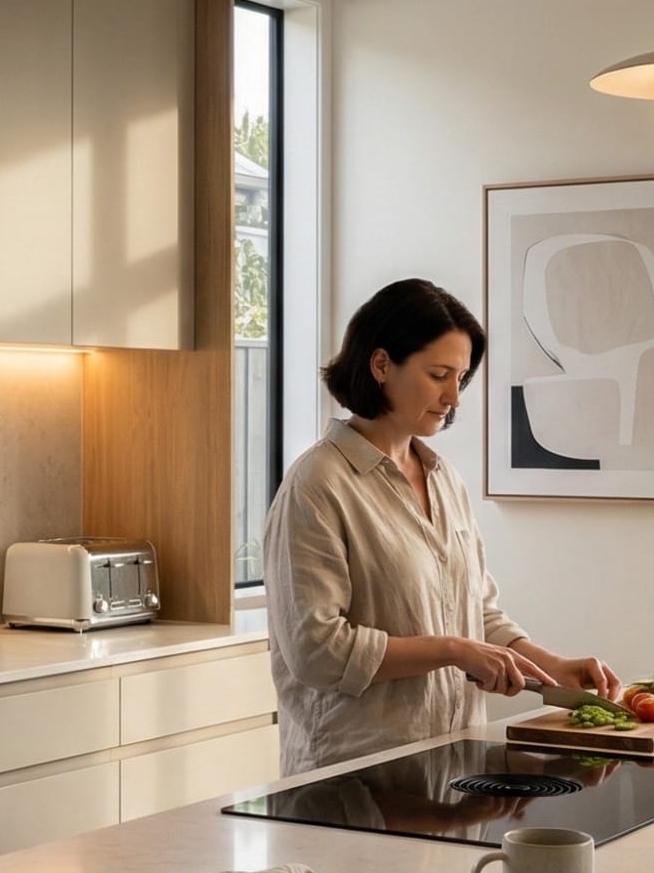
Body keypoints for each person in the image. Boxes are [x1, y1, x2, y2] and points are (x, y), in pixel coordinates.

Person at [263, 277, 619, 775]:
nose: (454, 396)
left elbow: (476, 612)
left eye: (461, 377)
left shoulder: (442, 477)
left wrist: (550, 666)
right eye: (438, 375)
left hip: (455, 761)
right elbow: (316, 650)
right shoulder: (316, 484)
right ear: (381, 365)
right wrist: (452, 651)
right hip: (354, 775)